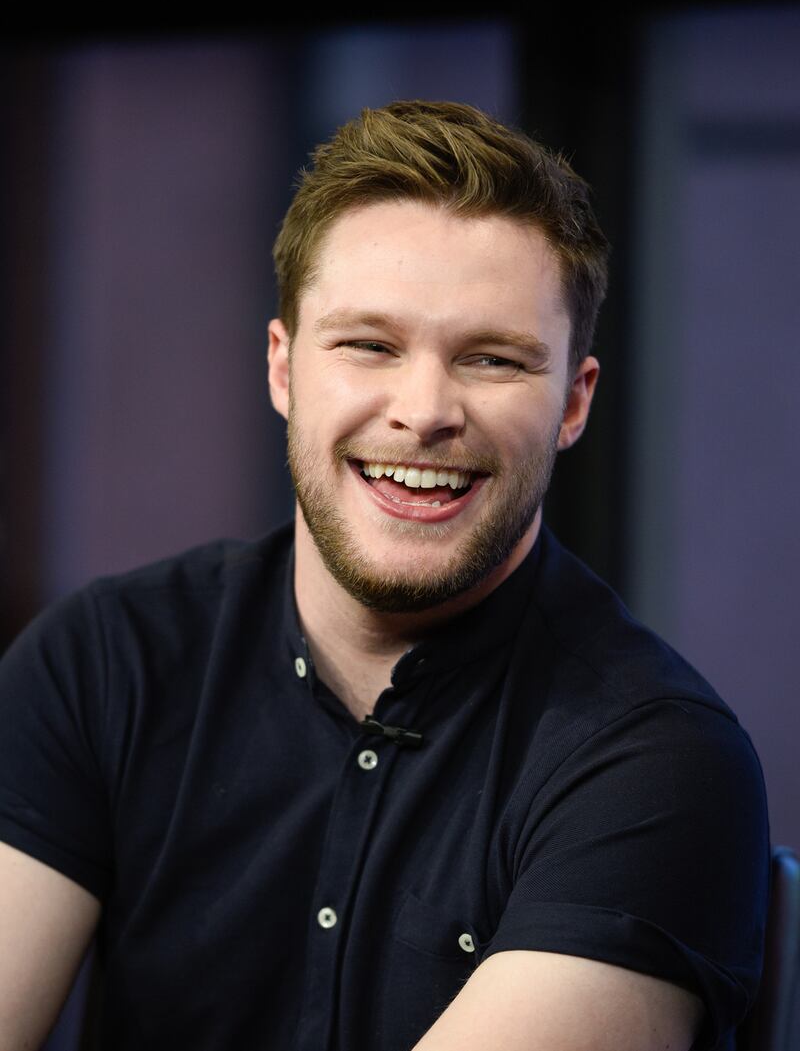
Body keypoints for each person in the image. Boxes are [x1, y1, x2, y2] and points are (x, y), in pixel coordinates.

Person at [0, 100, 768, 1051]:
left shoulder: (661, 764)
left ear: (575, 401)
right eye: (369, 344)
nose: (424, 411)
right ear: (284, 369)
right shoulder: (103, 665)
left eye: (493, 358)